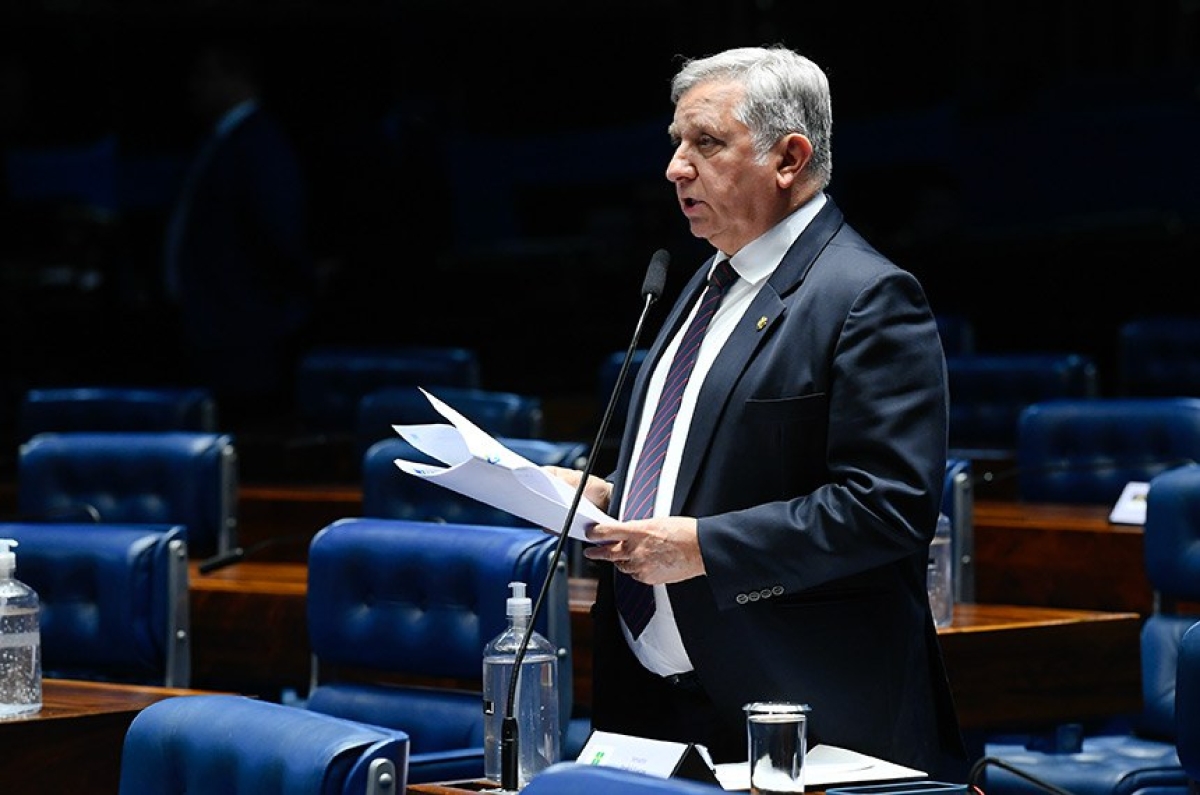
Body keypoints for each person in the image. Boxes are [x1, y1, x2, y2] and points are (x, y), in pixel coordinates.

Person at [547, 45, 967, 779]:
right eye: (676, 143)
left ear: (789, 157)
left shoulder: (866, 297)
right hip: (656, 709)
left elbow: (887, 508)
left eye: (706, 142)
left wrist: (704, 544)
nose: (677, 167)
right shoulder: (703, 281)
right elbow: (707, 452)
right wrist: (611, 494)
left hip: (800, 707)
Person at [163, 35, 317, 428]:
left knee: (247, 441)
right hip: (210, 331)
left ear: (237, 77)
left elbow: (278, 236)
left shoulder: (259, 144)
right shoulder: (221, 141)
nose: (193, 86)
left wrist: (288, 300)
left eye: (205, 75)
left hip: (243, 334)